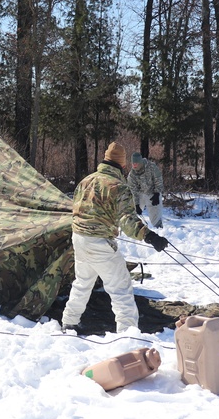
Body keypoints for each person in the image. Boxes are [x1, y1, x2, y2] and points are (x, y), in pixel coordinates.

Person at [61, 142, 171, 334]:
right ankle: (128, 333)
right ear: (122, 165)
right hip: (100, 243)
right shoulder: (119, 187)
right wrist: (150, 236)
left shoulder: (85, 181)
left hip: (78, 239)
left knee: (82, 284)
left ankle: (69, 323)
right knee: (121, 288)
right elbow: (127, 221)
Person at [127, 152, 165, 228]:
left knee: (155, 214)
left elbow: (158, 180)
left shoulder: (151, 167)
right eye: (133, 163)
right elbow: (133, 191)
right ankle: (133, 228)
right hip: (140, 194)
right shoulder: (132, 175)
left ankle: (159, 229)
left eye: (136, 163)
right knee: (132, 210)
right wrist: (137, 205)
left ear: (140, 162)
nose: (134, 165)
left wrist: (157, 193)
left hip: (153, 193)